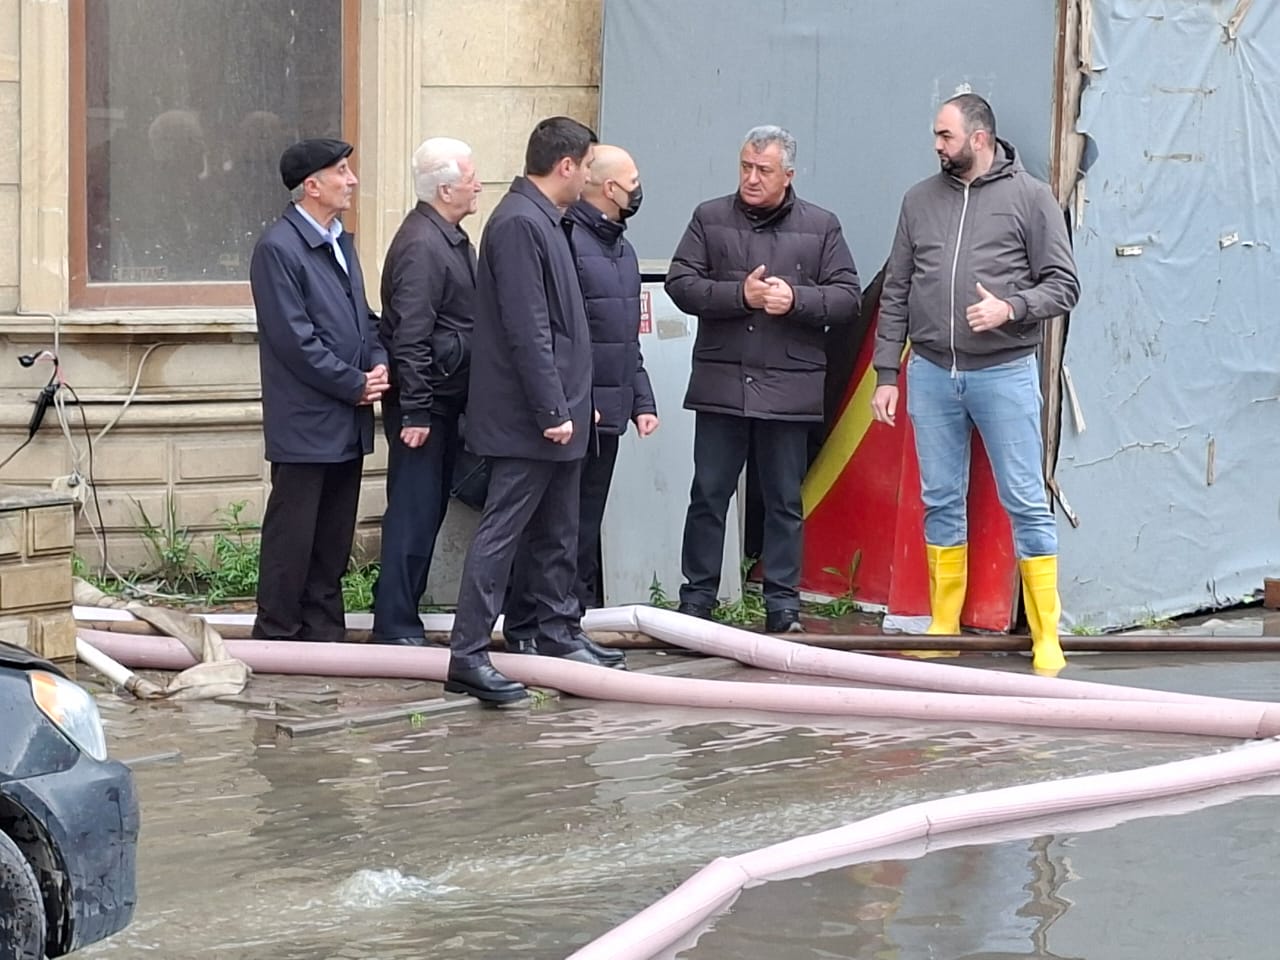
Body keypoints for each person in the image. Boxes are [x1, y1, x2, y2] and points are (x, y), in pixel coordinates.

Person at [870, 94, 1080, 674]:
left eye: (945, 136)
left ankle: (1046, 634)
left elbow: (1064, 285)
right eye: (936, 136)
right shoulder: (918, 201)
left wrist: (1012, 307)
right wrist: (888, 373)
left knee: (1025, 500)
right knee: (939, 498)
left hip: (1005, 371)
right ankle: (943, 622)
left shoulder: (1032, 198)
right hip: (932, 372)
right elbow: (896, 291)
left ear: (980, 138)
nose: (936, 146)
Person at [665, 125, 861, 634]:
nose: (751, 178)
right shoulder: (709, 217)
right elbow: (680, 283)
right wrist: (740, 296)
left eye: (763, 170)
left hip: (789, 387)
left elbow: (847, 298)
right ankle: (697, 602)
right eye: (745, 167)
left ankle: (783, 606)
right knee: (709, 493)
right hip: (722, 383)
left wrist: (796, 300)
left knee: (783, 500)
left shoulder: (822, 225)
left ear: (788, 175)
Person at [445, 116, 613, 704]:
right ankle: (467, 653)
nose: (592, 177)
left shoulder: (545, 219)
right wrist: (551, 406)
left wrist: (578, 400)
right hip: (529, 420)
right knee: (502, 533)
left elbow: (562, 327)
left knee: (557, 531)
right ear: (565, 166)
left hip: (559, 411)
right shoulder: (519, 223)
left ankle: (555, 631)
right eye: (588, 166)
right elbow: (527, 327)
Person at [502, 144, 657, 657]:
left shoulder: (622, 249)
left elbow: (624, 336)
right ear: (609, 187)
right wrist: (577, 397)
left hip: (607, 411)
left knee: (581, 526)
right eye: (632, 180)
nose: (638, 189)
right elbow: (560, 333)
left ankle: (567, 624)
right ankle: (537, 627)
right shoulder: (566, 239)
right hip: (576, 410)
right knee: (555, 529)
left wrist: (641, 398)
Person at [250, 138, 388, 643]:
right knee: (294, 534)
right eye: (341, 171)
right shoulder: (278, 249)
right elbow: (295, 341)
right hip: (306, 421)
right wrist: (354, 384)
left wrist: (377, 363)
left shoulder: (340, 242)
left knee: (333, 536)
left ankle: (324, 632)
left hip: (346, 418)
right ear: (311, 185)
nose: (351, 180)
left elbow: (362, 319)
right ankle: (278, 634)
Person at [371, 137, 482, 646]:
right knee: (414, 516)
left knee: (427, 512)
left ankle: (401, 618)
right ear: (444, 189)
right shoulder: (422, 244)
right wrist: (415, 410)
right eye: (470, 177)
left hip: (442, 399)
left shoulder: (447, 237)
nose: (479, 184)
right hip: (427, 406)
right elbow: (410, 335)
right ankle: (394, 624)